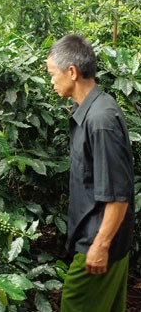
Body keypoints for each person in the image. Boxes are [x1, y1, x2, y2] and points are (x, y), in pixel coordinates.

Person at [46, 34, 134, 311]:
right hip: (101, 241)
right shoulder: (89, 109)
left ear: (71, 72)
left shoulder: (100, 120)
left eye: (52, 74)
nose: (51, 81)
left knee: (74, 302)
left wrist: (100, 246)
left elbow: (119, 194)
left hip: (98, 245)